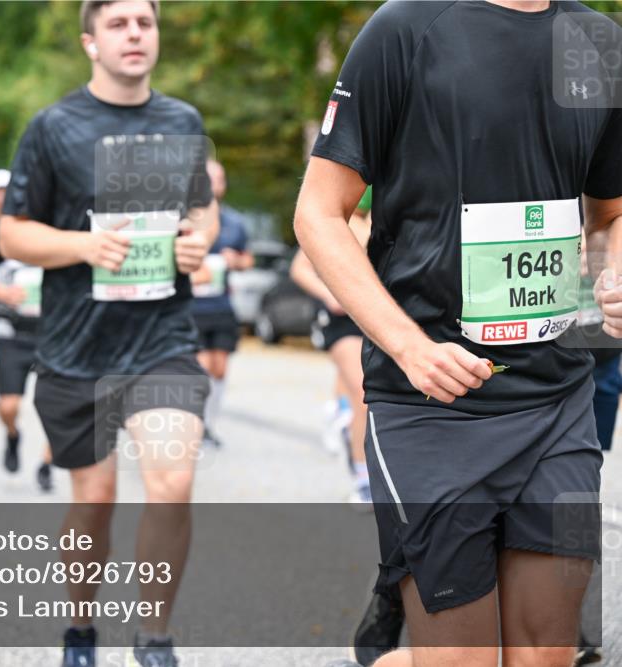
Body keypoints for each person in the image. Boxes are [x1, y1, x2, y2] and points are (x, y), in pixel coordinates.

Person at [295, 2, 620, 666]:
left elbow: (612, 210)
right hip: (431, 410)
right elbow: (318, 213)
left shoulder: (600, 43)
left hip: (557, 403)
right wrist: (409, 346)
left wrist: (616, 268)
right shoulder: (404, 30)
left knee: (545, 655)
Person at [0, 2, 218, 665]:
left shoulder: (183, 122)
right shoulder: (54, 127)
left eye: (145, 23)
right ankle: (81, 626)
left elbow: (203, 213)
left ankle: (153, 635)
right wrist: (83, 245)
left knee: (172, 480)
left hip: (163, 338)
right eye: (118, 24)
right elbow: (12, 232)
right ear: (90, 41)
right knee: (94, 500)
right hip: (76, 348)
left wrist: (197, 243)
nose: (134, 34)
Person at [0, 169, 54, 491]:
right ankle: (13, 435)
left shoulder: (56, 230)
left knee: (55, 406)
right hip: (11, 332)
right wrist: (2, 293)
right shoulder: (3, 236)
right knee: (8, 406)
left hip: (50, 333)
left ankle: (47, 463)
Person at [292, 187, 373, 506]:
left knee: (375, 397)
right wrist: (328, 294)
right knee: (363, 394)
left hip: (378, 318)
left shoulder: (383, 221)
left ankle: (343, 418)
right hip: (341, 321)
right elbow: (299, 269)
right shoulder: (334, 222)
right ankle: (362, 477)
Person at [189, 158, 253, 448]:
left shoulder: (235, 222)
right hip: (192, 307)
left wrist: (235, 261)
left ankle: (209, 424)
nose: (216, 184)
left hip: (221, 305)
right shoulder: (185, 220)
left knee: (219, 368)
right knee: (201, 367)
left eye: (220, 179)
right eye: (210, 178)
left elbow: (248, 258)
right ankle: (196, 425)